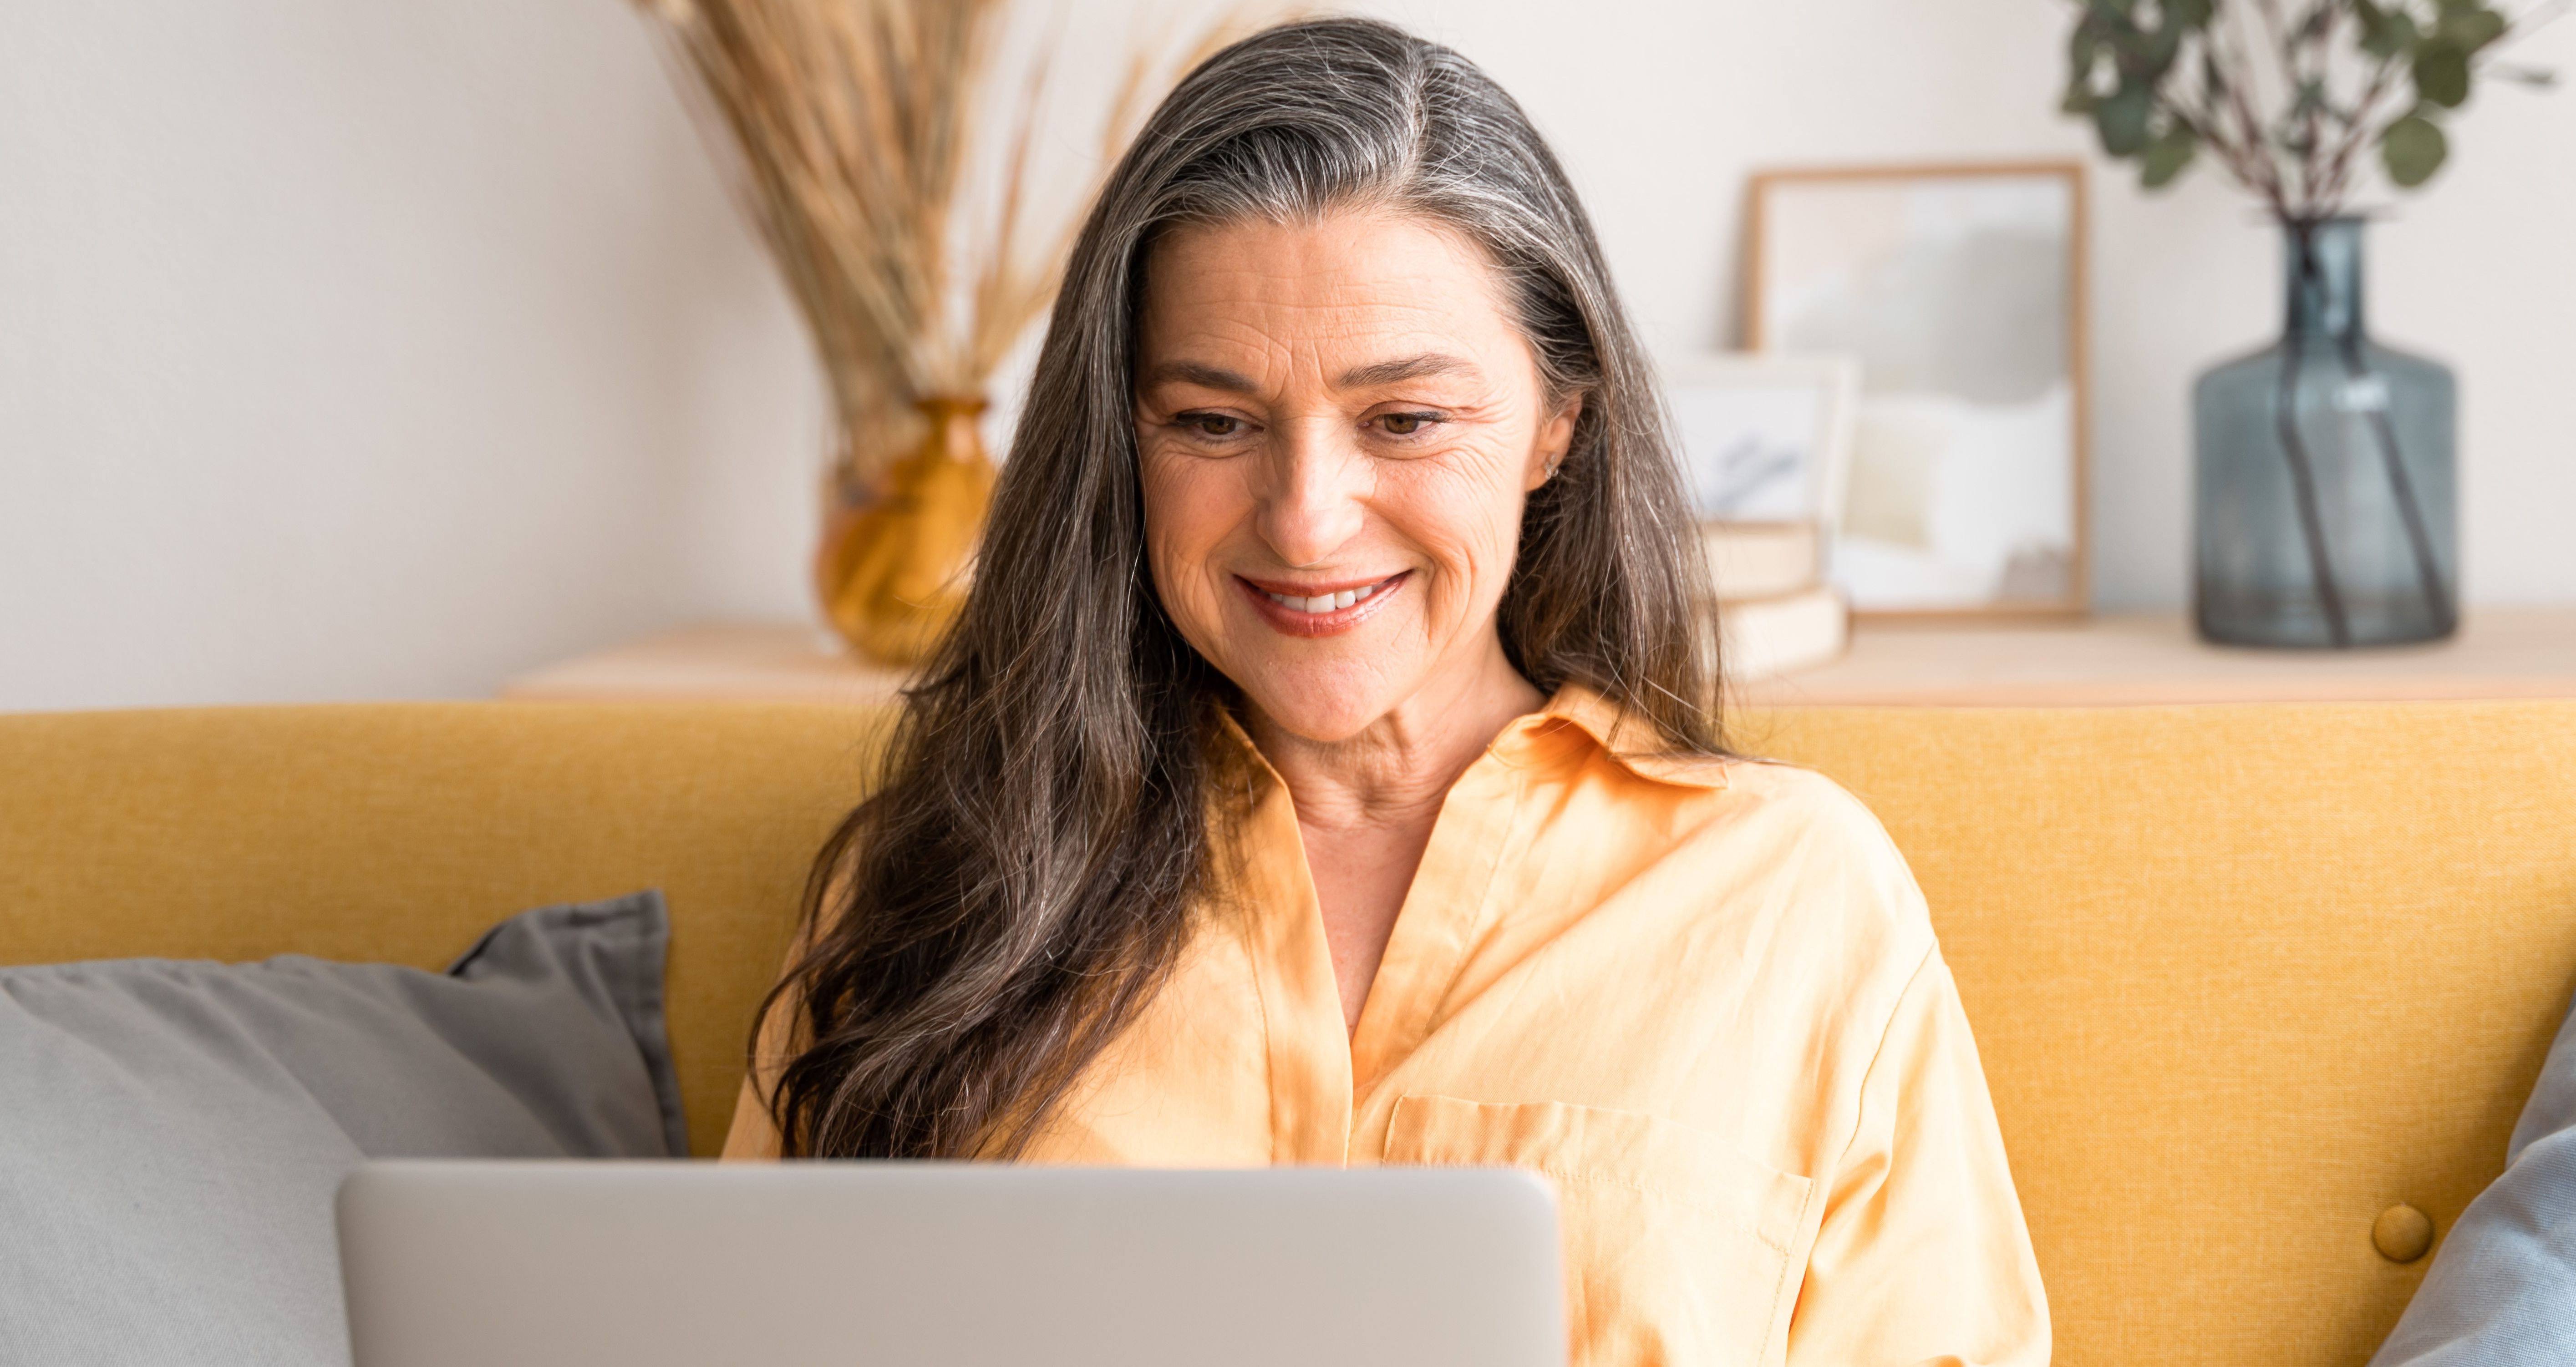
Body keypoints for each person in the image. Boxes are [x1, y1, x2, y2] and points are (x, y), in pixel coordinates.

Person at [726, 17, 2048, 1367]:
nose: (1304, 522)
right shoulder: (938, 878)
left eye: (1404, 420)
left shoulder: (1792, 897)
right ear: (1122, 438)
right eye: (1211, 420)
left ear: (1557, 421)